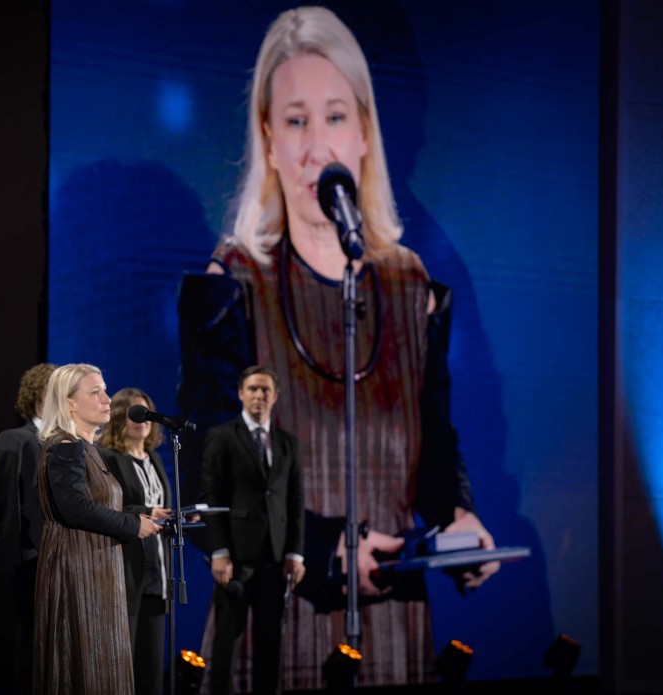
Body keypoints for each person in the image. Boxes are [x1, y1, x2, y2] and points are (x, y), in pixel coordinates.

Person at [176, 6, 499, 690]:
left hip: (392, 635)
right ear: (268, 139)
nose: (316, 147)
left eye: (334, 117)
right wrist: (325, 551)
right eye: (296, 121)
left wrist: (457, 520)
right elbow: (208, 496)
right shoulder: (232, 285)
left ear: (364, 134)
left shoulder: (411, 286)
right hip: (273, 627)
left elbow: (431, 448)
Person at [32, 363, 161, 694]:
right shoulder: (66, 446)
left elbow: (98, 506)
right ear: (70, 403)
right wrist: (132, 524)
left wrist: (141, 517)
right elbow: (75, 509)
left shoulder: (87, 449)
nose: (107, 399)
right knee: (82, 666)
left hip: (97, 565)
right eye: (95, 392)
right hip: (78, 568)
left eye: (104, 390)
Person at [200, 365, 304, 694]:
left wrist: (295, 553)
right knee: (226, 642)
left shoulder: (288, 443)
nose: (259, 395)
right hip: (235, 558)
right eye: (253, 389)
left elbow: (295, 502)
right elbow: (211, 496)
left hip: (275, 559)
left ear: (275, 396)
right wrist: (219, 552)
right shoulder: (222, 436)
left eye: (265, 390)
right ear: (240, 394)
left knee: (271, 642)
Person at [0, 362, 56, 694]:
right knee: (28, 648)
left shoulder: (64, 442)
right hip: (27, 560)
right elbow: (1, 498)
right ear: (41, 394)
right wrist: (22, 553)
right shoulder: (16, 439)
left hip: (55, 559)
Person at [98, 387, 171, 695]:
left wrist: (177, 517)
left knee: (151, 670)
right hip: (126, 570)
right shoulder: (109, 458)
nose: (142, 421)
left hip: (156, 571)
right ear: (118, 419)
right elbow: (104, 508)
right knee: (123, 666)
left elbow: (161, 507)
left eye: (146, 414)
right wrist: (146, 511)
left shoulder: (154, 458)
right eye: (134, 414)